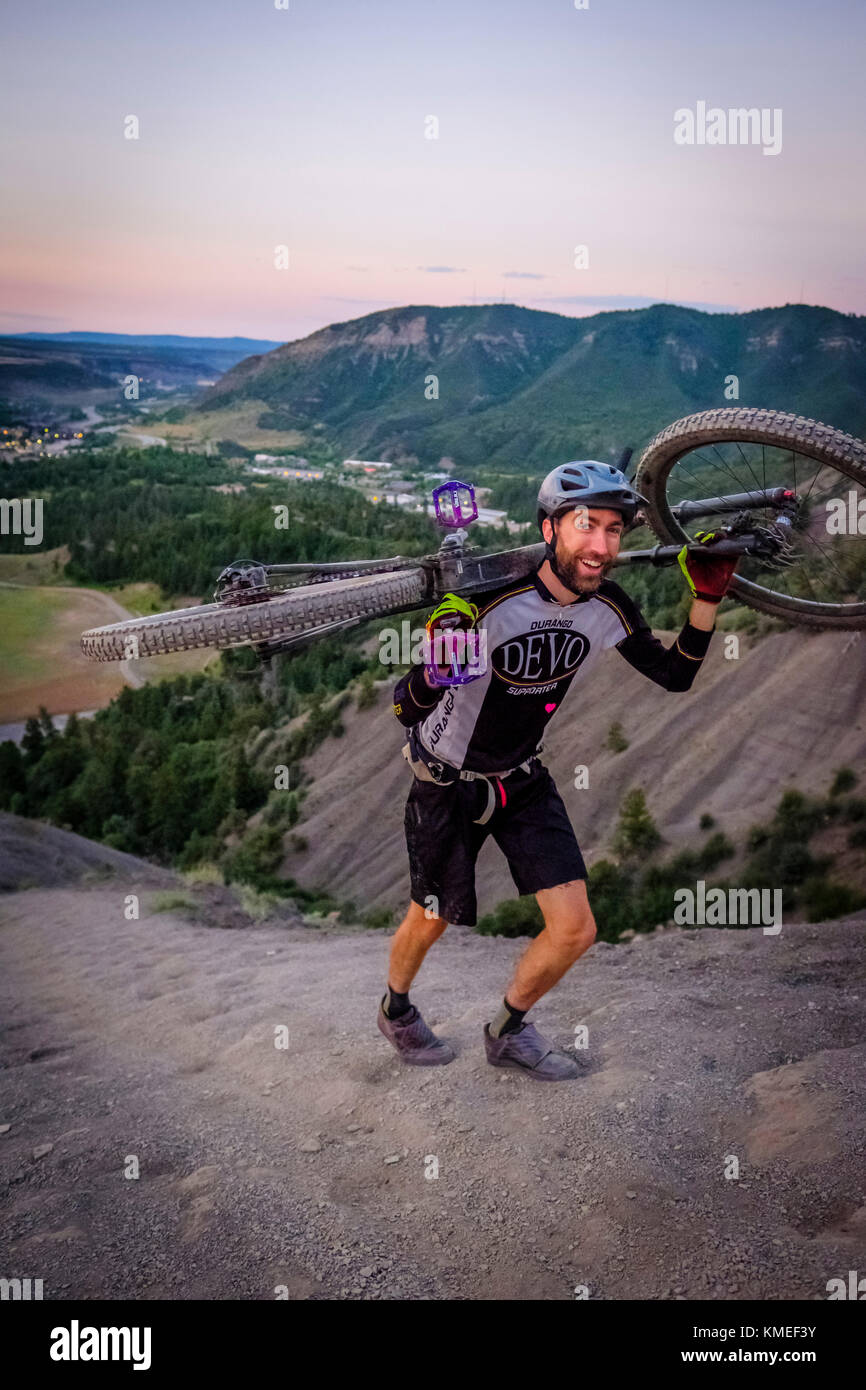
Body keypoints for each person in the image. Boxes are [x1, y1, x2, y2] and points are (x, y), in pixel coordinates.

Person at [379, 461, 739, 1081]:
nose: (601, 545)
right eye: (585, 525)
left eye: (614, 530)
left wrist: (706, 600)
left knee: (574, 929)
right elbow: (402, 709)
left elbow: (675, 675)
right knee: (431, 917)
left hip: (523, 780)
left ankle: (507, 1031)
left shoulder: (608, 606)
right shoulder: (486, 602)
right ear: (549, 529)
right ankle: (396, 1009)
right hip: (447, 782)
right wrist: (435, 671)